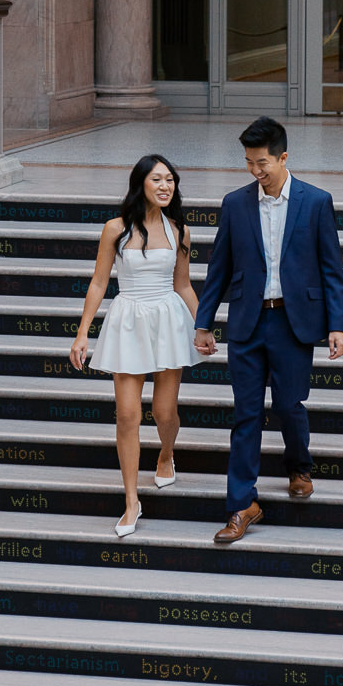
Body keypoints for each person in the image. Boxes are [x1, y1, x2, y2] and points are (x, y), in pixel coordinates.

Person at [193, 118, 343, 547]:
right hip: (247, 321)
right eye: (248, 162)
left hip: (293, 322)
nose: (254, 171)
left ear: (283, 157)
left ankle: (299, 466)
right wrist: (203, 322)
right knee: (245, 414)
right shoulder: (235, 203)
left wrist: (337, 325)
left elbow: (332, 269)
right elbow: (218, 268)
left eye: (262, 162)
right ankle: (242, 504)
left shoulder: (316, 202)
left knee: (288, 404)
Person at [70, 154, 197, 539]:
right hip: (128, 318)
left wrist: (203, 327)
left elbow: (184, 285)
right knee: (127, 415)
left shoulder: (180, 231)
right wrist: (82, 333)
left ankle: (166, 453)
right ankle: (131, 500)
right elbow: (98, 282)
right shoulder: (116, 229)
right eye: (158, 179)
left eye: (170, 180)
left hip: (168, 319)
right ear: (140, 183)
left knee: (163, 413)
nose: (165, 186)